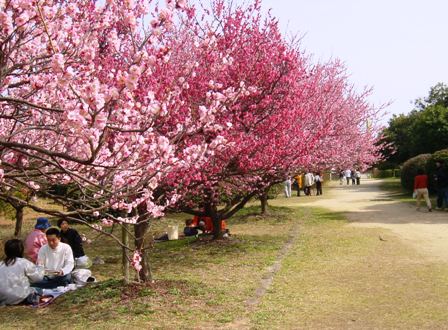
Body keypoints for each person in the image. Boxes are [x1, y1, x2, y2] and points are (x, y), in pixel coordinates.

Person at [0, 239, 44, 306]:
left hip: (2, 298)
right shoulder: (23, 262)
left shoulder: (1, 264)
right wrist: (40, 266)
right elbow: (38, 278)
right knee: (39, 289)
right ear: (21, 250)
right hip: (20, 297)